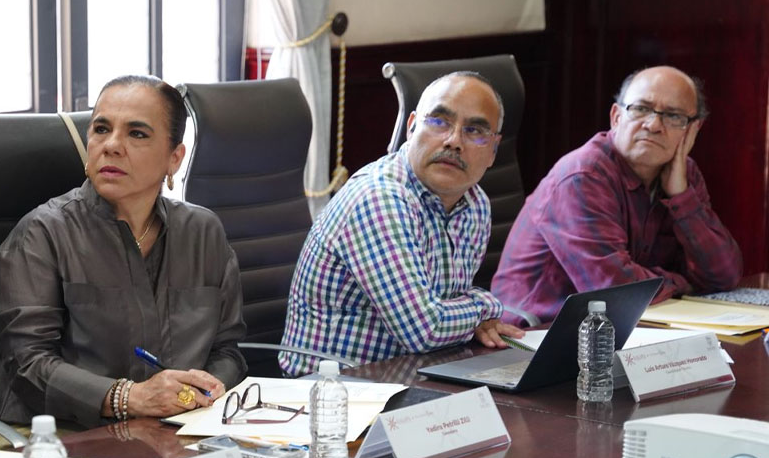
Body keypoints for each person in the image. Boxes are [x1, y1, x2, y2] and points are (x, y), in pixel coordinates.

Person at [0, 75, 246, 430]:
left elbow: (227, 350)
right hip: (46, 437)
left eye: (137, 134)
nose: (112, 145)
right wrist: (129, 398)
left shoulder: (202, 232)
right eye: (101, 129)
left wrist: (197, 393)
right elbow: (27, 366)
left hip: (170, 431)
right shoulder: (42, 234)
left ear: (174, 158)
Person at [279, 72, 522, 375]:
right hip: (334, 389)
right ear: (411, 127)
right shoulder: (378, 199)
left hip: (417, 374)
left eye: (474, 131)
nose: (453, 141)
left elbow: (443, 310)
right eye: (439, 122)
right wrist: (485, 305)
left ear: (493, 150)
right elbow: (425, 330)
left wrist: (467, 314)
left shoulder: (475, 204)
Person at [492, 66, 742, 323]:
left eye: (673, 116)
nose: (653, 125)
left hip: (627, 325)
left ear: (692, 130)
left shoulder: (683, 174)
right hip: (538, 332)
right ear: (616, 117)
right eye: (641, 109)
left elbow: (724, 276)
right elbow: (614, 289)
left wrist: (681, 197)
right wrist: (683, 283)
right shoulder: (583, 176)